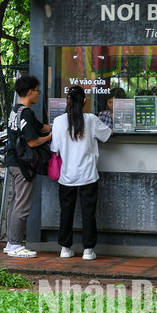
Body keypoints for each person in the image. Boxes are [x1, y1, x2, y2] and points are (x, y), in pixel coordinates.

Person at [51, 86, 111, 261]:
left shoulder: (58, 121)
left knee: (66, 212)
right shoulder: (91, 119)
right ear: (84, 101)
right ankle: (88, 250)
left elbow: (55, 148)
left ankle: (65, 247)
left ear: (67, 101)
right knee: (88, 212)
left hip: (66, 175)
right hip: (88, 175)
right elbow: (107, 134)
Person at [5, 74, 52, 258]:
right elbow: (32, 142)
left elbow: (40, 127)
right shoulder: (26, 112)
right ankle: (16, 245)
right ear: (30, 91)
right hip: (23, 164)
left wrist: (61, 124)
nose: (39, 95)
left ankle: (11, 242)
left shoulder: (15, 111)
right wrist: (50, 137)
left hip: (13, 161)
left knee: (15, 202)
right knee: (22, 205)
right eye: (38, 91)